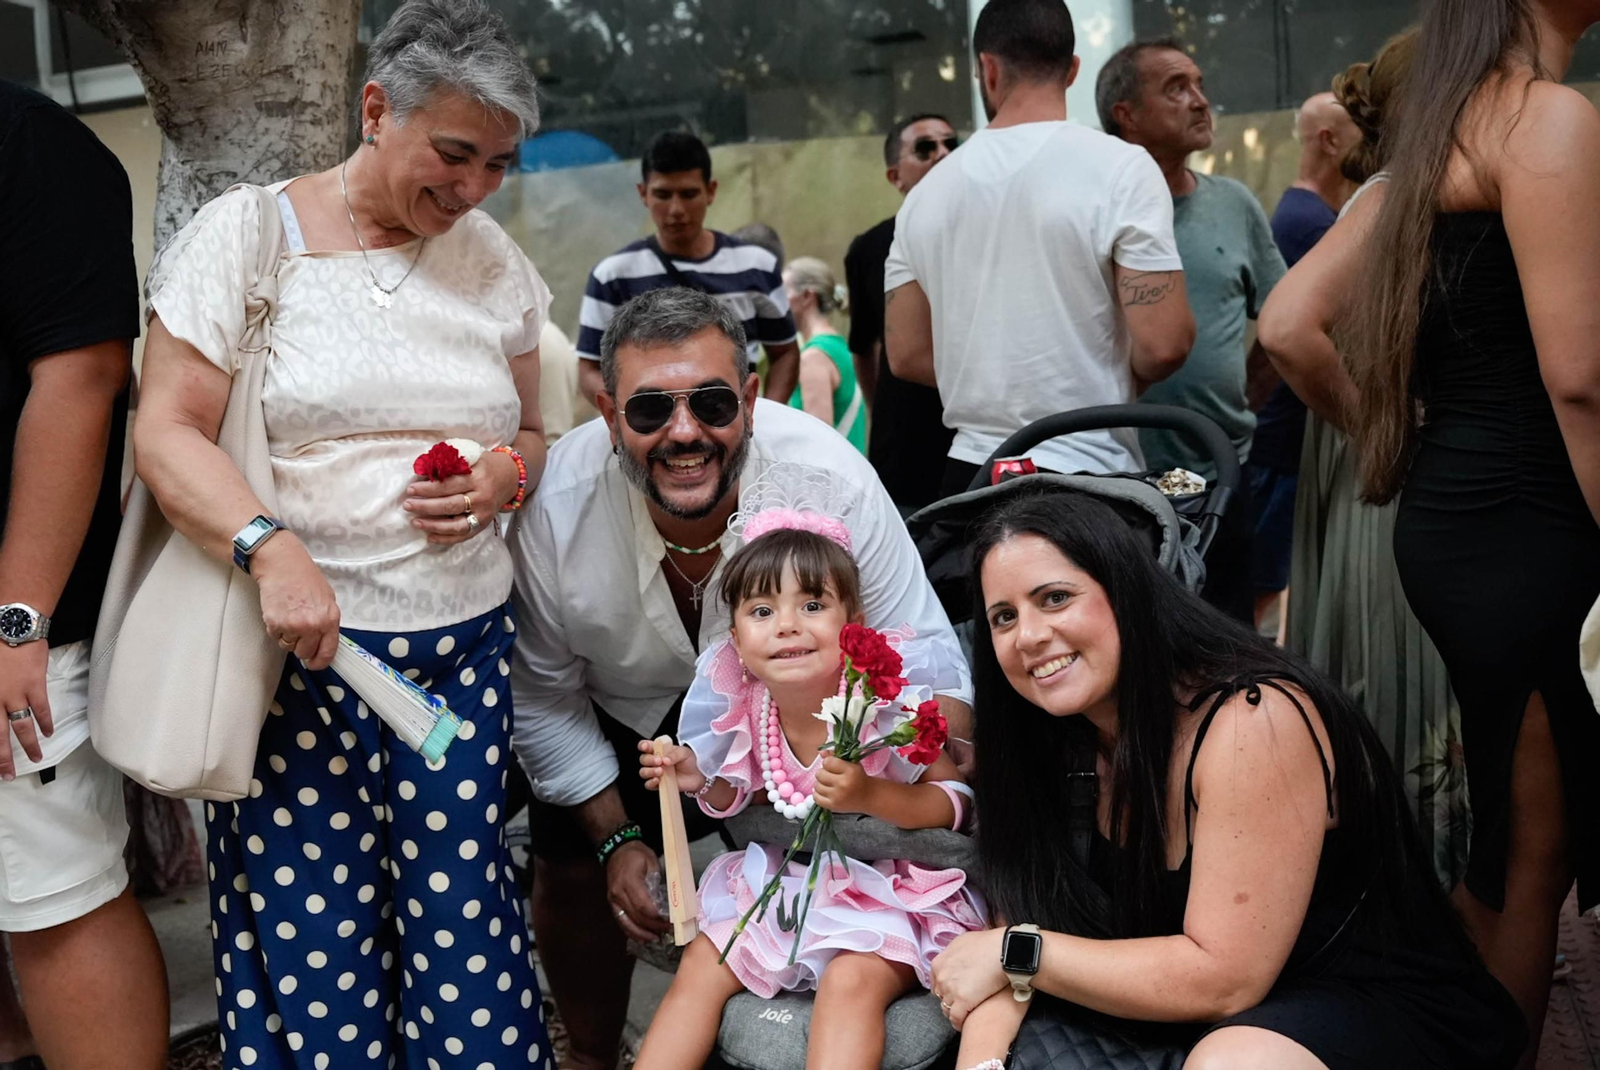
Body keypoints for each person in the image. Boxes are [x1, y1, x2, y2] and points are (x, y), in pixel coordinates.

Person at [132, 2, 556, 1064]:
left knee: (465, 925)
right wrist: (271, 550)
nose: (471, 189)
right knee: (315, 933)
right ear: (377, 109)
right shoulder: (247, 233)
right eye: (454, 154)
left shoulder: (490, 256)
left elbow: (540, 429)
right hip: (299, 660)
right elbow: (165, 431)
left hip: (462, 655)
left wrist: (504, 475)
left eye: (498, 165)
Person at [508, 287, 971, 1070]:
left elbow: (923, 657)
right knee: (568, 861)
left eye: (712, 403)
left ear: (752, 400)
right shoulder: (556, 509)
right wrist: (621, 838)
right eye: (650, 410)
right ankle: (590, 1057)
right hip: (622, 710)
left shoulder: (832, 481)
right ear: (608, 410)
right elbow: (543, 695)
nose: (684, 432)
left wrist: (896, 788)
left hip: (824, 723)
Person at [934, 490, 1524, 1070]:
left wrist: (1022, 955)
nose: (1029, 636)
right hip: (1173, 1017)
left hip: (1356, 1003)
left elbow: (1224, 980)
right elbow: (1018, 917)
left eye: (1055, 598)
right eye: (1003, 617)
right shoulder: (1051, 733)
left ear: (1127, 593)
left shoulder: (1251, 720)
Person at [1339, 0, 1600, 1061]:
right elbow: (1578, 381)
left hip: (1466, 521)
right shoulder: (1542, 121)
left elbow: (1297, 324)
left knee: (1517, 828)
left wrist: (1395, 436)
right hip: (1532, 526)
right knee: (1533, 842)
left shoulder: (1449, 124)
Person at [633, 515, 982, 1070]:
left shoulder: (887, 707)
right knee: (703, 959)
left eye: (813, 605)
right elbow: (744, 795)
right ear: (739, 645)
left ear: (856, 626)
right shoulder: (750, 709)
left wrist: (872, 795)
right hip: (790, 883)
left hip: (891, 892)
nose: (788, 625)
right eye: (762, 611)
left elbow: (957, 804)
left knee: (851, 979)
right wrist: (699, 781)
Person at [1256, 30, 1469, 889]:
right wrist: (1384, 427)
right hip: (1380, 475)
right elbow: (1285, 331)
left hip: (1367, 472)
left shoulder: (1402, 197)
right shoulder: (1394, 196)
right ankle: (1418, 905)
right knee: (1396, 680)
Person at [0, 76, 168, 1070]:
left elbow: (86, 375)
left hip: (19, 623)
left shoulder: (29, 145)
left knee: (49, 890)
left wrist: (15, 617)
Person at [884, 0, 1194, 498]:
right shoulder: (1121, 168)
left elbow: (908, 354)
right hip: (1088, 471)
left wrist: (996, 373)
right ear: (1072, 70)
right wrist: (1096, 367)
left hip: (974, 473)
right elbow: (1165, 344)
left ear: (987, 68)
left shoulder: (925, 195)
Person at [1096, 38, 1287, 622]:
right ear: (1126, 114)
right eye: (1176, 88)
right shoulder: (1094, 205)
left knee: (1229, 639)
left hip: (1221, 472)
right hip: (1116, 477)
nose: (1201, 102)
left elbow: (1283, 319)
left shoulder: (1233, 202)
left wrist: (1242, 398)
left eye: (1199, 85)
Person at [575, 132, 801, 407]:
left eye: (688, 194)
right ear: (643, 193)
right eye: (663, 194)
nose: (676, 209)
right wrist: (634, 416)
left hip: (733, 427)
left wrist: (763, 417)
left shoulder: (757, 266)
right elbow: (589, 368)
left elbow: (785, 353)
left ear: (711, 191)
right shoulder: (611, 277)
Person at [1245, 92, 1359, 632]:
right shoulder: (1310, 225)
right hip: (1283, 437)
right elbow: (1285, 337)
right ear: (1330, 140)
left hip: (1286, 435)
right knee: (1261, 594)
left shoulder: (1313, 218)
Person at [844, 113, 959, 511]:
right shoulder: (870, 248)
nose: (942, 155)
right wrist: (880, 413)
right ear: (895, 176)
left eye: (950, 144)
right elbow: (863, 346)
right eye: (925, 149)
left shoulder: (987, 233)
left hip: (977, 427)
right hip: (905, 436)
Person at [783, 257, 867, 453]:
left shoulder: (814, 357)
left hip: (831, 480)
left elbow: (819, 445)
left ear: (807, 297)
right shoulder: (839, 346)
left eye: (782, 292)